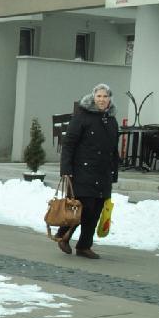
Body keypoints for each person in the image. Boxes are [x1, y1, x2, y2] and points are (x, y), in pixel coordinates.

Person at [56, 83, 119, 259]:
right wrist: (66, 170)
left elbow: (113, 149)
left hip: (103, 173)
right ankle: (63, 236)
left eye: (105, 96)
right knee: (82, 208)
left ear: (109, 99)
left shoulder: (111, 120)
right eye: (99, 96)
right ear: (93, 98)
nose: (102, 99)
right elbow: (69, 144)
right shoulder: (82, 117)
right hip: (83, 171)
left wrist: (114, 171)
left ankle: (84, 246)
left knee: (96, 211)